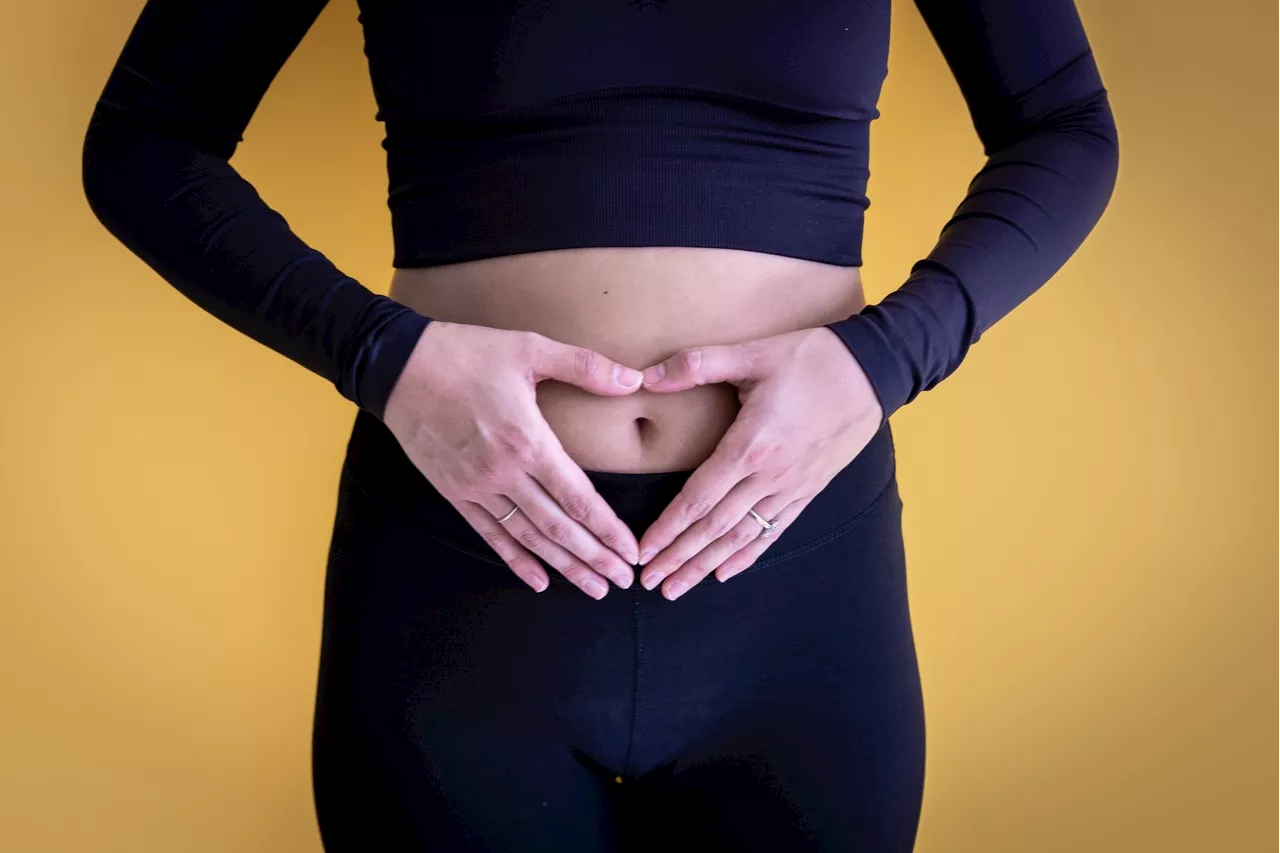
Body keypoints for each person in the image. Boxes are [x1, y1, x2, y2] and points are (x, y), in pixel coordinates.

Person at [81, 0, 1118, 849]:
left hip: (798, 577)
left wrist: (889, 358)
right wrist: (381, 356)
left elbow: (1063, 121)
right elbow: (143, 138)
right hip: (461, 571)